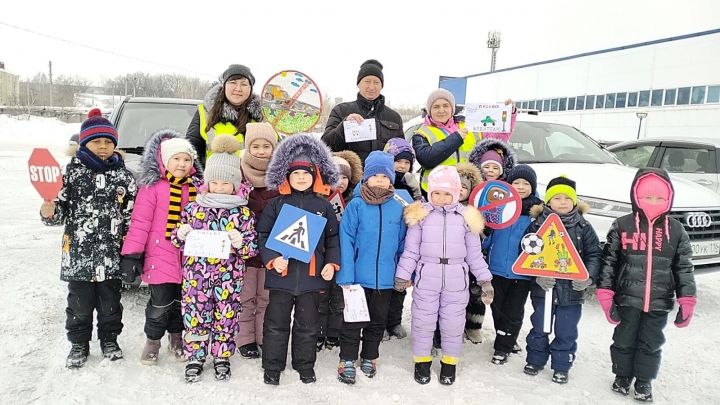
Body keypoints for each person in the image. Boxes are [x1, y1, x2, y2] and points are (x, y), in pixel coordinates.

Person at [40, 108, 137, 368]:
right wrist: (48, 209)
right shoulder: (69, 174)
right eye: (97, 142)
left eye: (108, 142)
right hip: (78, 256)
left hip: (111, 255)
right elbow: (56, 214)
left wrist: (130, 251)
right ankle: (79, 343)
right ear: (84, 143)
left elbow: (130, 216)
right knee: (79, 306)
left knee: (110, 304)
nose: (103, 147)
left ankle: (109, 339)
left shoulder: (124, 177)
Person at [596, 168, 696, 402]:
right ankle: (622, 375)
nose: (653, 202)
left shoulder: (676, 230)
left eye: (660, 198)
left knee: (650, 343)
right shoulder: (622, 225)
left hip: (659, 301)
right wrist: (605, 293)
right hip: (627, 298)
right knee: (623, 339)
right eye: (647, 197)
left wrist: (687, 299)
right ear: (636, 197)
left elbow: (684, 267)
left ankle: (644, 380)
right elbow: (609, 261)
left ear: (669, 199)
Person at [171, 134, 258, 382]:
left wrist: (241, 242)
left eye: (225, 183)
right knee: (196, 315)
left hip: (228, 279)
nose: (220, 188)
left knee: (226, 316)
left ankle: (221, 355)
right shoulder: (194, 208)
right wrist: (181, 233)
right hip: (197, 278)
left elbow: (252, 247)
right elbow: (177, 240)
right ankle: (196, 355)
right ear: (207, 182)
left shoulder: (242, 212)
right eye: (215, 183)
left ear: (235, 184)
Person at [395, 165, 493, 385]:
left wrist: (485, 280)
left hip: (456, 279)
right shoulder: (421, 216)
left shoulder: (466, 218)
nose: (441, 198)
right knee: (423, 321)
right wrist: (403, 274)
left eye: (447, 193)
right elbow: (411, 250)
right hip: (426, 276)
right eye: (437, 193)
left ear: (457, 194)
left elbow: (475, 255)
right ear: (430, 192)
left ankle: (449, 364)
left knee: (453, 323)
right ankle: (422, 362)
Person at [257, 134, 340, 385]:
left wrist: (330, 263)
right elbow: (262, 234)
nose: (301, 178)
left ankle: (304, 364)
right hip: (281, 277)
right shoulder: (276, 204)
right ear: (286, 177)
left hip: (311, 278)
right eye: (296, 174)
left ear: (315, 176)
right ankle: (272, 366)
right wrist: (272, 260)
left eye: (306, 173)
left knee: (308, 326)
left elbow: (333, 238)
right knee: (275, 324)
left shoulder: (324, 206)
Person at [120, 130, 203, 365]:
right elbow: (140, 222)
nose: (182, 164)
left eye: (186, 159)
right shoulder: (152, 188)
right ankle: (153, 340)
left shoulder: (198, 188)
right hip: (160, 254)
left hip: (189, 257)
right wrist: (132, 254)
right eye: (176, 159)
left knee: (181, 302)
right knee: (160, 303)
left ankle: (177, 337)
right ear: (164, 160)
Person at [335, 151, 408, 384]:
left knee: (377, 321)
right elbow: (345, 239)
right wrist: (346, 273)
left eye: (384, 176)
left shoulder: (398, 207)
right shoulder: (356, 205)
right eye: (374, 175)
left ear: (391, 179)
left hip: (385, 279)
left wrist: (404, 273)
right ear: (365, 178)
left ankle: (369, 356)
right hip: (357, 277)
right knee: (353, 321)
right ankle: (347, 358)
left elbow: (403, 242)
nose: (379, 180)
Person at [523, 176, 602, 384]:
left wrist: (588, 277)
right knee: (540, 327)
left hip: (572, 293)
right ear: (547, 202)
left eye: (567, 198)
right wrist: (537, 275)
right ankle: (535, 359)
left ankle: (561, 365)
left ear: (575, 201)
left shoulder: (583, 227)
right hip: (544, 292)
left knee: (566, 331)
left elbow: (594, 255)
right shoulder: (537, 226)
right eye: (557, 198)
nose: (563, 202)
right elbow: (524, 253)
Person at [482, 165, 543, 365]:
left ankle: (503, 346)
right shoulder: (501, 208)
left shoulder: (538, 213)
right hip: (497, 269)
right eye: (516, 183)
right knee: (497, 308)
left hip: (522, 272)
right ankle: (507, 336)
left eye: (526, 184)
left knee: (514, 310)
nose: (521, 187)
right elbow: (487, 240)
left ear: (532, 187)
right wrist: (484, 233)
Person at [413, 88, 516, 197]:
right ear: (429, 110)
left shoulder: (469, 125)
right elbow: (427, 159)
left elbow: (497, 138)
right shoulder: (421, 133)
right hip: (438, 194)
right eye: (436, 107)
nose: (441, 110)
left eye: (445, 106)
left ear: (452, 109)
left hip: (468, 191)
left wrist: (510, 114)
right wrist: (456, 138)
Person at [463, 137, 517, 343]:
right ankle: (459, 323)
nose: (491, 170)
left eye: (495, 167)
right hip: (472, 240)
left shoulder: (507, 190)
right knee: (464, 285)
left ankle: (475, 324)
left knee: (480, 288)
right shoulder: (473, 188)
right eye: (486, 166)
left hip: (493, 244)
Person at [236, 123, 280, 359]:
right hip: (245, 249)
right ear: (247, 147)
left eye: (266, 146)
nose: (261, 151)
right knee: (246, 296)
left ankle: (264, 336)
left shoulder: (280, 174)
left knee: (266, 297)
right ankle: (244, 338)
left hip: (272, 247)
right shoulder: (238, 172)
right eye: (256, 146)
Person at [316, 150, 364, 352]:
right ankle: (319, 332)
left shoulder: (356, 200)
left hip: (346, 258)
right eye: (336, 176)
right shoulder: (317, 199)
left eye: (345, 176)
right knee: (320, 297)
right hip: (321, 258)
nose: (341, 181)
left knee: (339, 297)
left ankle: (334, 333)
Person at [321, 59, 404, 163]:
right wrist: (344, 127)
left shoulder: (394, 117)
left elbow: (403, 154)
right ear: (358, 84)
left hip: (383, 178)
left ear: (381, 86)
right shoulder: (341, 111)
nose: (372, 87)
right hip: (351, 178)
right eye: (367, 81)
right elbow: (325, 146)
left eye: (376, 82)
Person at [186, 64, 263, 167]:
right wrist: (201, 180)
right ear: (224, 85)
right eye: (233, 82)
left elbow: (276, 151)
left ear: (250, 89)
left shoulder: (260, 118)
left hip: (250, 181)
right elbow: (191, 151)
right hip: (214, 181)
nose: (238, 88)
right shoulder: (205, 112)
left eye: (244, 84)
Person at [383, 137, 422, 201]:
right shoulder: (382, 180)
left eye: (407, 162)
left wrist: (416, 193)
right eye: (398, 161)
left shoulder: (410, 181)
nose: (403, 166)